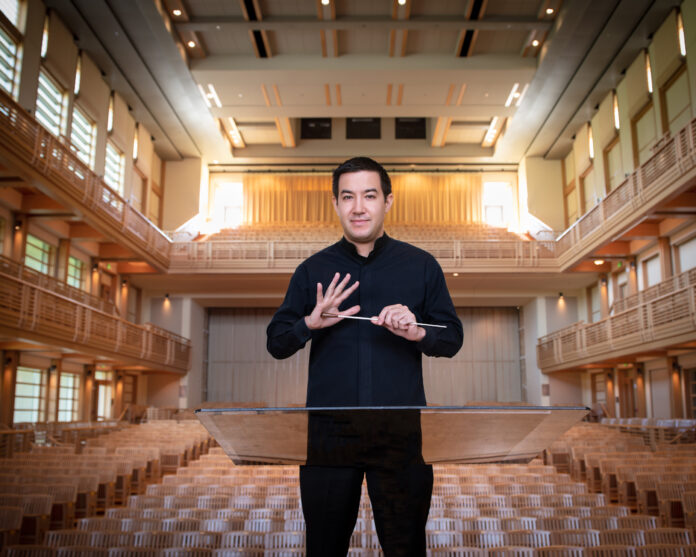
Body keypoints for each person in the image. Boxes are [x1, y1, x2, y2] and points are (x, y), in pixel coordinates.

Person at [266, 156, 463, 556]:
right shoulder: (311, 270)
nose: (358, 207)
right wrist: (309, 323)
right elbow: (277, 342)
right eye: (348, 197)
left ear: (387, 201)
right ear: (336, 204)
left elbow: (452, 338)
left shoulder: (422, 266)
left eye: (369, 196)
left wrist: (417, 331)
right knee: (324, 550)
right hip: (328, 438)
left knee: (406, 550)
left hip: (400, 436)